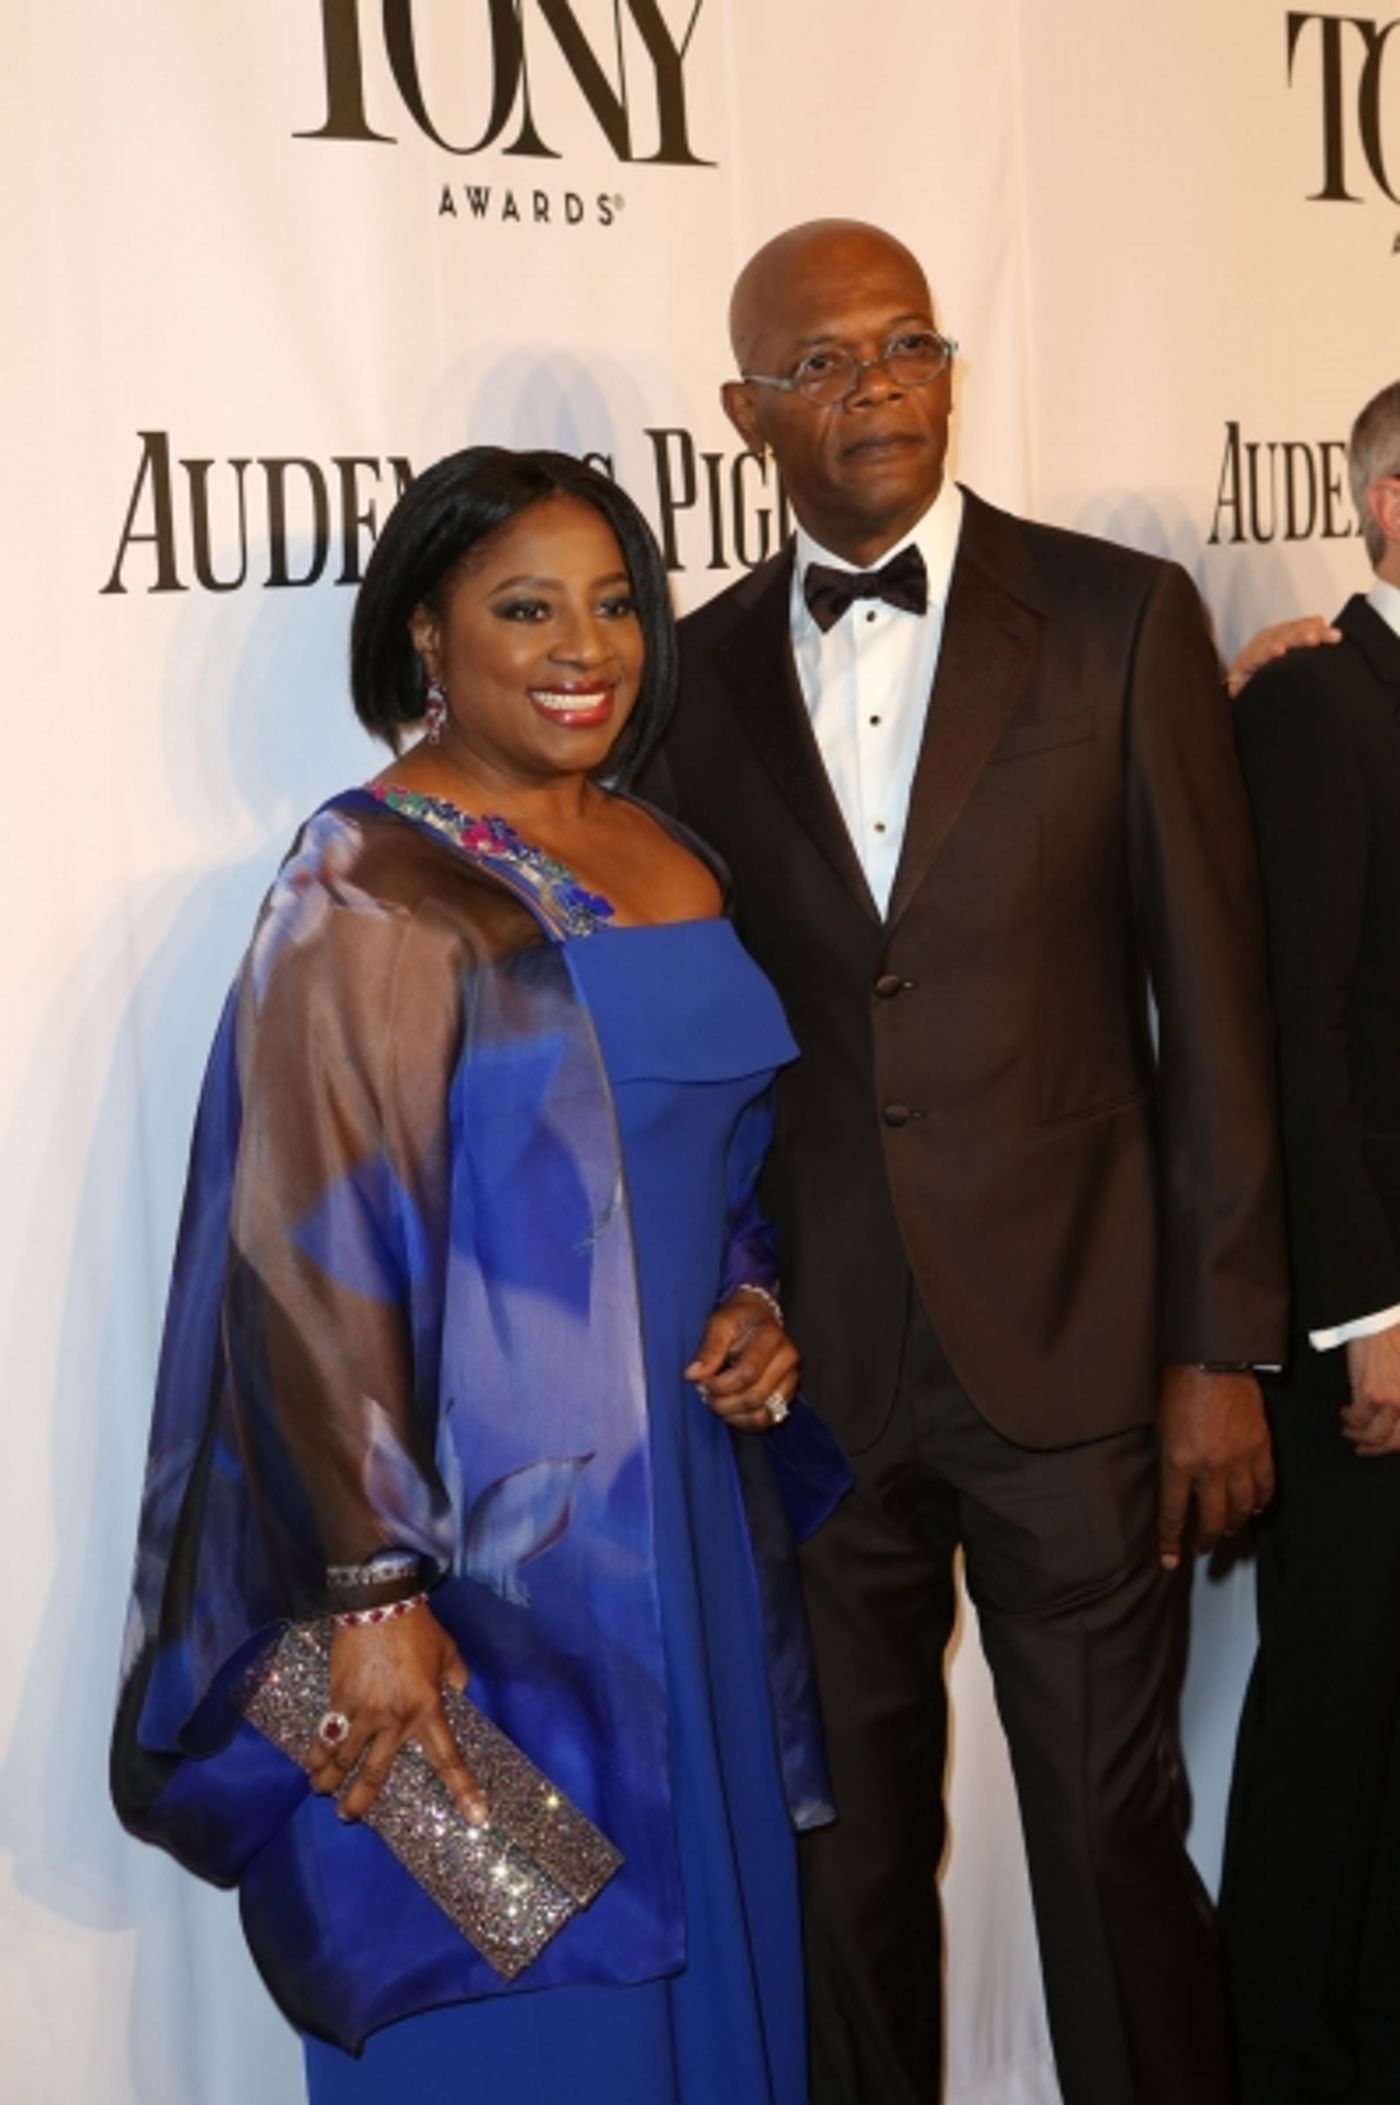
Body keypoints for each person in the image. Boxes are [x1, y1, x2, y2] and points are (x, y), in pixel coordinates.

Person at [111, 445, 849, 2105]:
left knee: (705, 1966)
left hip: (690, 1535)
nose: (584, 646)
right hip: (487, 1576)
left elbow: (720, 1162)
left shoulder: (674, 853)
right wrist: (372, 1592)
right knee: (522, 1993)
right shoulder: (367, 881)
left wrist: (755, 1297)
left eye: (612, 605)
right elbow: (308, 1252)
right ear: (427, 637)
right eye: (526, 608)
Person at [649, 219, 1289, 2105]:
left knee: (1106, 1843)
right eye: (826, 362)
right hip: (813, 1384)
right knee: (840, 1868)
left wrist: (1222, 1343)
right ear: (744, 409)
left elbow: (1219, 1012)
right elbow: (697, 1057)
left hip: (1085, 1360)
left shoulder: (1115, 617)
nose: (879, 388)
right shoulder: (683, 686)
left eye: (908, 343)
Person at [1221, 381, 1400, 2105]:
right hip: (1376, 1306)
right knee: (1340, 1688)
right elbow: (1301, 1032)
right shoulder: (1318, 710)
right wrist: (1370, 1314)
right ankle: (1279, 2049)